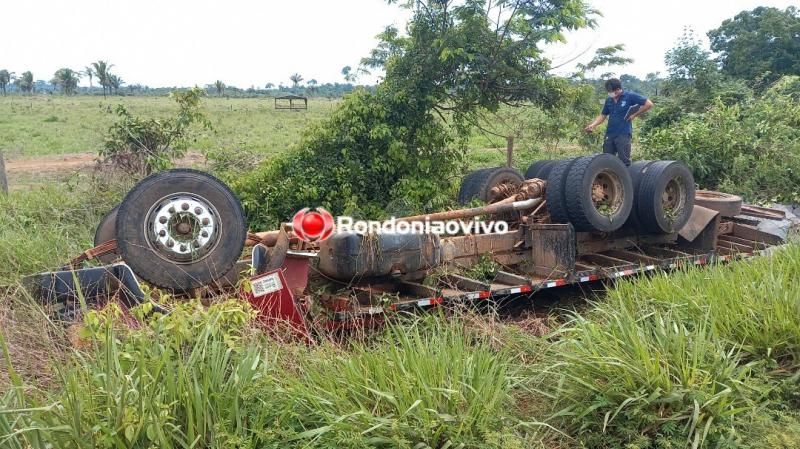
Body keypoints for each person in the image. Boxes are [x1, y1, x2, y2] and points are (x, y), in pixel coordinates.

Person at [584, 78, 653, 166]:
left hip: (623, 133)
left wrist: (634, 114)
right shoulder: (609, 100)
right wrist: (593, 125)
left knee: (624, 161)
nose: (610, 93)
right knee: (607, 159)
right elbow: (603, 115)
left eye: (612, 91)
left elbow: (649, 104)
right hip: (610, 133)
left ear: (618, 89)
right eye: (608, 91)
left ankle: (625, 178)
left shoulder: (630, 96)